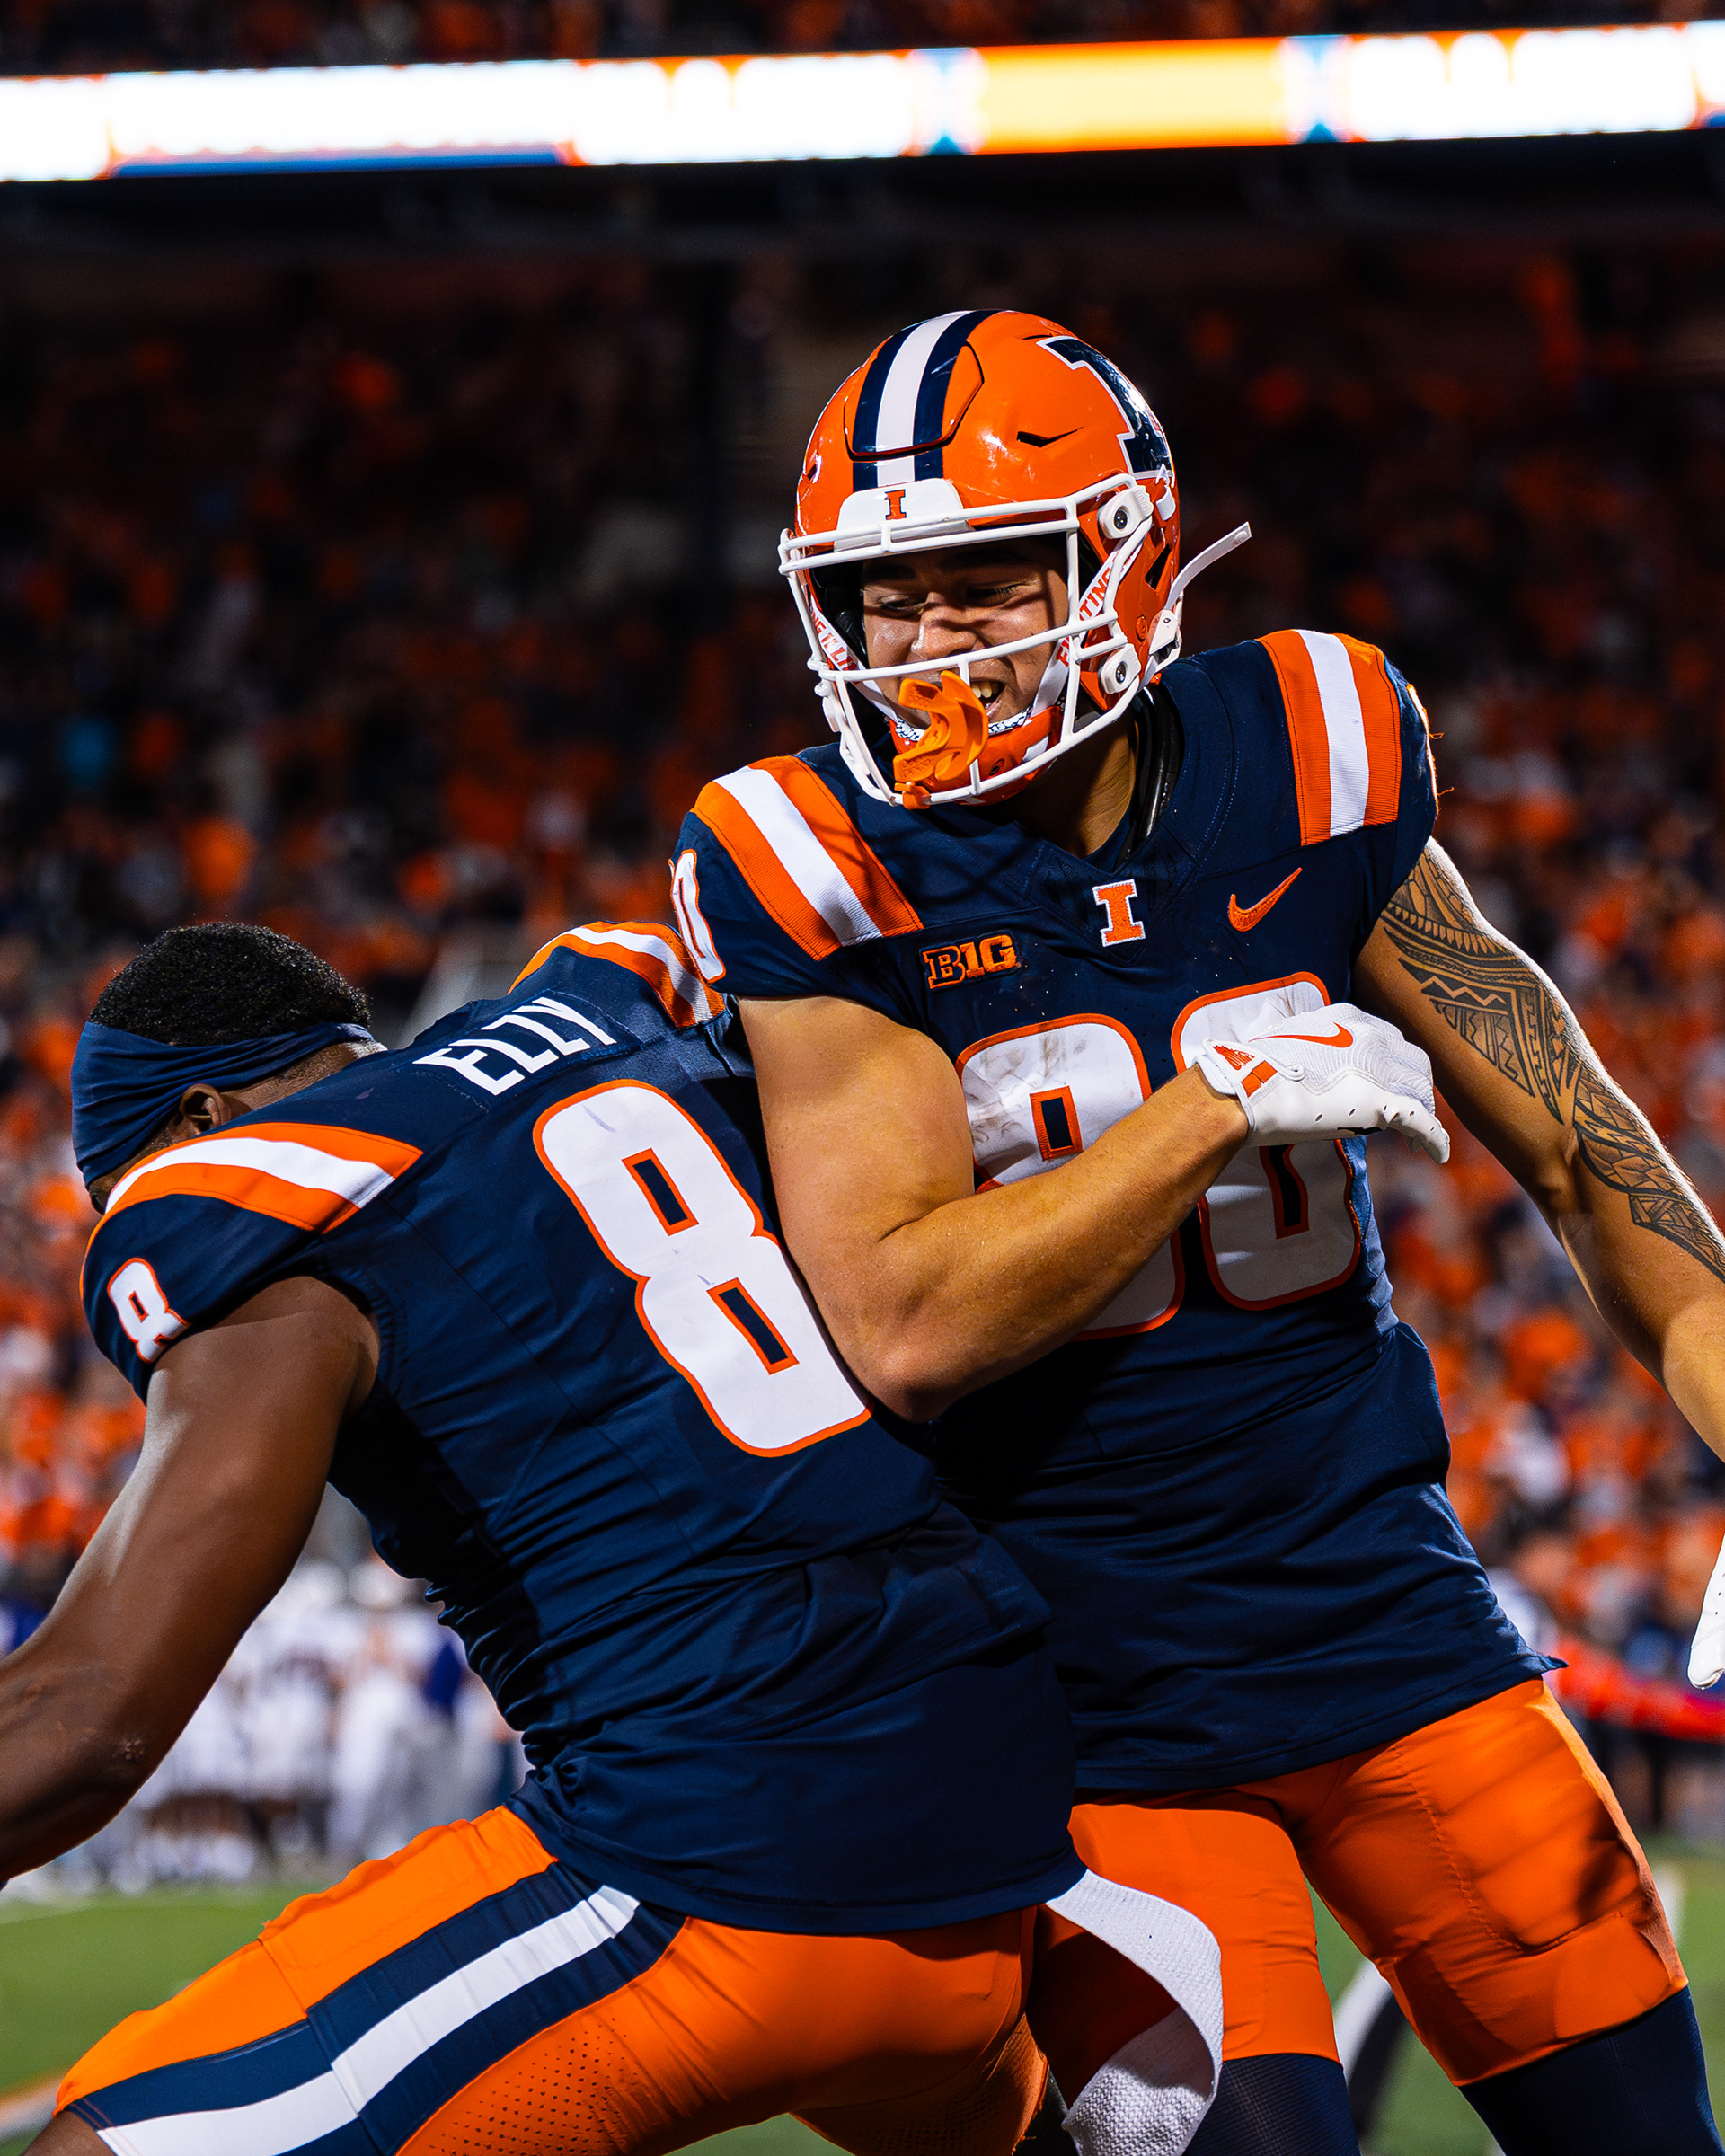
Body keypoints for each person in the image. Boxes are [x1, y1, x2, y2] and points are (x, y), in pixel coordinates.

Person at [673, 308, 1725, 2156]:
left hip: (1386, 1615)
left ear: (1129, 558)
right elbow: (908, 1321)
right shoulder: (811, 862)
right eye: (882, 598)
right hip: (1081, 1684)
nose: (924, 644)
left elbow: (1584, 1155)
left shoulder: (1308, 749)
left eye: (980, 582)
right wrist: (1207, 1107)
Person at [1, 916, 1234, 2156]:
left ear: (202, 1122)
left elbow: (90, 1720)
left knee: (96, 2148)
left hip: (723, 1856)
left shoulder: (261, 1206)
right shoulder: (606, 1012)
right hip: (989, 1833)